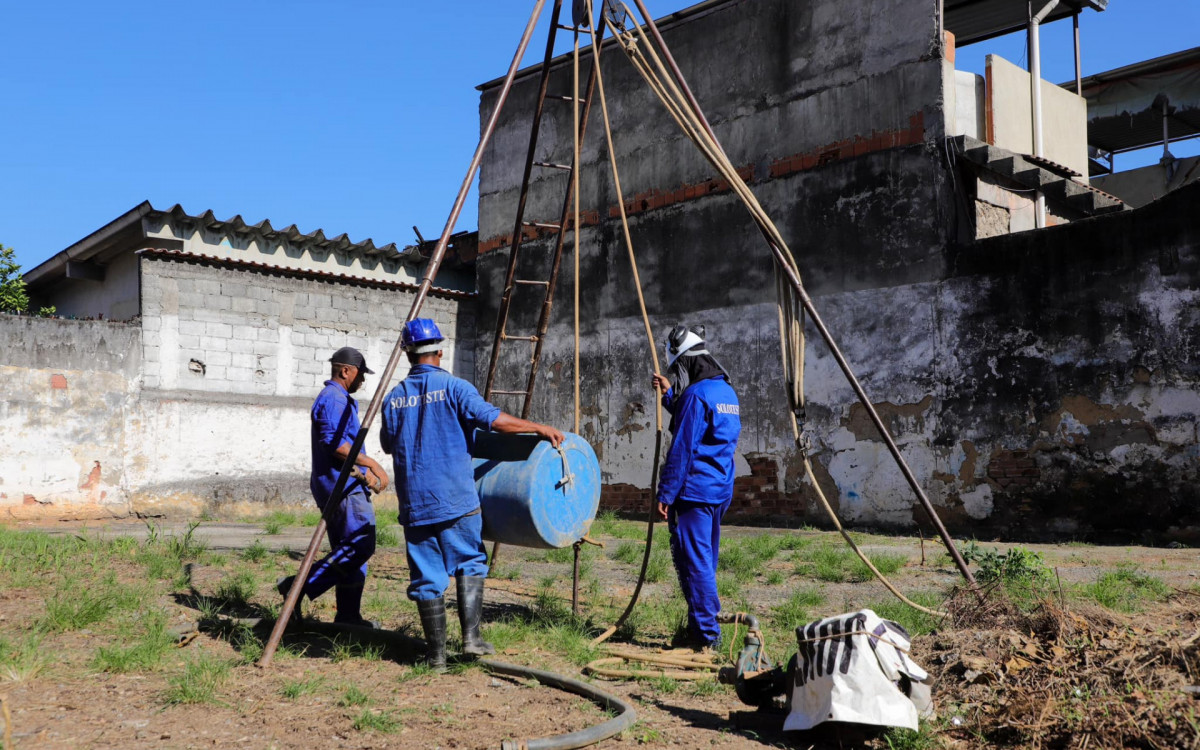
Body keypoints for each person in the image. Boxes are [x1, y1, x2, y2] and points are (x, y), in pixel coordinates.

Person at [380, 318, 565, 671]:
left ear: (407, 354)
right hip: (457, 499)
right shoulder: (454, 387)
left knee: (426, 577)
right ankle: (471, 639)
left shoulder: (394, 399)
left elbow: (388, 444)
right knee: (470, 561)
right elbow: (493, 421)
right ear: (439, 350)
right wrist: (538, 427)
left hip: (416, 504)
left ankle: (436, 657)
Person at [278, 346, 390, 628]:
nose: (362, 381)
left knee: (350, 554)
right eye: (361, 374)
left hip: (346, 484)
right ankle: (296, 586)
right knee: (360, 545)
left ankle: (348, 617)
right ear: (346, 371)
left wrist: (365, 471)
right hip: (342, 487)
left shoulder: (340, 399)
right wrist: (372, 463)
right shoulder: (334, 399)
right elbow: (336, 445)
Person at [651, 324, 741, 651]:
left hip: (693, 491)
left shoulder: (695, 395)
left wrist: (665, 493)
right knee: (705, 559)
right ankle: (697, 628)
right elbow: (701, 426)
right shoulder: (725, 392)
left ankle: (707, 637)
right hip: (719, 491)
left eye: (677, 370)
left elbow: (683, 447)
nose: (676, 375)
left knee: (694, 562)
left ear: (686, 362)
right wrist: (668, 395)